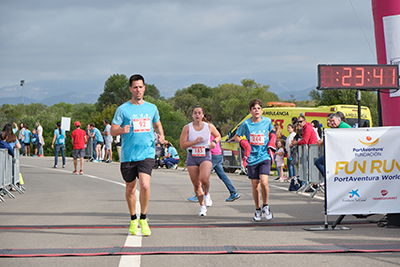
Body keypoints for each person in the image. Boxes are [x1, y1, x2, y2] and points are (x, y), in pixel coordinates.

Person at [111, 74, 165, 236]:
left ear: (144, 88)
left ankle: (144, 217)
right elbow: (113, 130)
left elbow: (157, 124)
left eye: (140, 87)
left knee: (145, 185)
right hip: (128, 155)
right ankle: (133, 218)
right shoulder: (123, 109)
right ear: (130, 89)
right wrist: (121, 130)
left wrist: (161, 135)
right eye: (135, 87)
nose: (138, 90)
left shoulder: (151, 108)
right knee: (130, 189)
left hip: (147, 152)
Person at [233, 99, 275, 222]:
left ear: (261, 110)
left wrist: (272, 137)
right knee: (255, 186)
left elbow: (272, 131)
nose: (256, 110)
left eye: (258, 108)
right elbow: (236, 136)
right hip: (252, 158)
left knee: (264, 182)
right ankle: (257, 209)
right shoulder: (246, 124)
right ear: (250, 111)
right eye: (254, 108)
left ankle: (266, 206)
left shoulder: (267, 121)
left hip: (264, 156)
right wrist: (243, 142)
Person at [180, 106, 221, 216]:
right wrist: (194, 142)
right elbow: (182, 144)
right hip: (192, 156)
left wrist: (214, 142)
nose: (197, 115)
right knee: (196, 184)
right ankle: (202, 206)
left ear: (203, 115)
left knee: (204, 179)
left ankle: (207, 194)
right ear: (192, 115)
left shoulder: (208, 126)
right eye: (195, 113)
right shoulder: (187, 128)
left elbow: (218, 136)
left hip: (205, 154)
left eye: (199, 113)